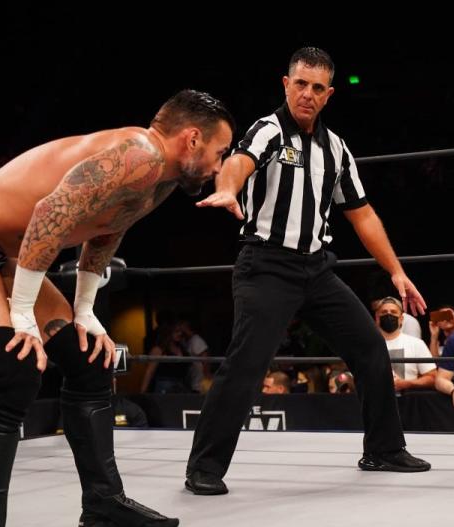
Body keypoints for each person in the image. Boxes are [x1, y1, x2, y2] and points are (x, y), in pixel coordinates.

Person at [0, 89, 234, 527]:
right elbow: (51, 213)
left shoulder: (161, 181)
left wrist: (85, 310)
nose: (221, 166)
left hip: (12, 255)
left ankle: (103, 505)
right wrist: (22, 312)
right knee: (13, 362)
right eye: (220, 153)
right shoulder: (140, 153)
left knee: (89, 358)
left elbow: (106, 228)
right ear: (192, 138)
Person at [184, 47, 430, 496]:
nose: (307, 94)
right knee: (246, 363)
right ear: (286, 84)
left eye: (318, 88)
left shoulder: (336, 149)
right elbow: (239, 162)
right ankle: (204, 467)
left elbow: (362, 214)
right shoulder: (267, 130)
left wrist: (396, 272)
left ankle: (383, 448)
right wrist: (226, 189)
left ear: (329, 94)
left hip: (316, 269)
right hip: (266, 266)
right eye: (300, 84)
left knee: (371, 348)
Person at [374, 296, 436, 392]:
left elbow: (432, 377)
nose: (389, 315)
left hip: (408, 403)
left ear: (401, 318)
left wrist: (408, 384)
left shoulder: (416, 344)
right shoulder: (368, 346)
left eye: (393, 312)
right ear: (377, 317)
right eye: (384, 312)